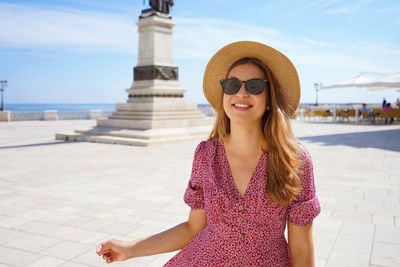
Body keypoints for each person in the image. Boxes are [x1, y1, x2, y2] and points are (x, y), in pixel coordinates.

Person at [96, 41, 321, 266]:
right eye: (232, 85)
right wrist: (130, 249)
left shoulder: (294, 160)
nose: (241, 93)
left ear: (270, 100)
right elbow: (192, 227)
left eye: (254, 86)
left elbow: (301, 248)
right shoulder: (206, 154)